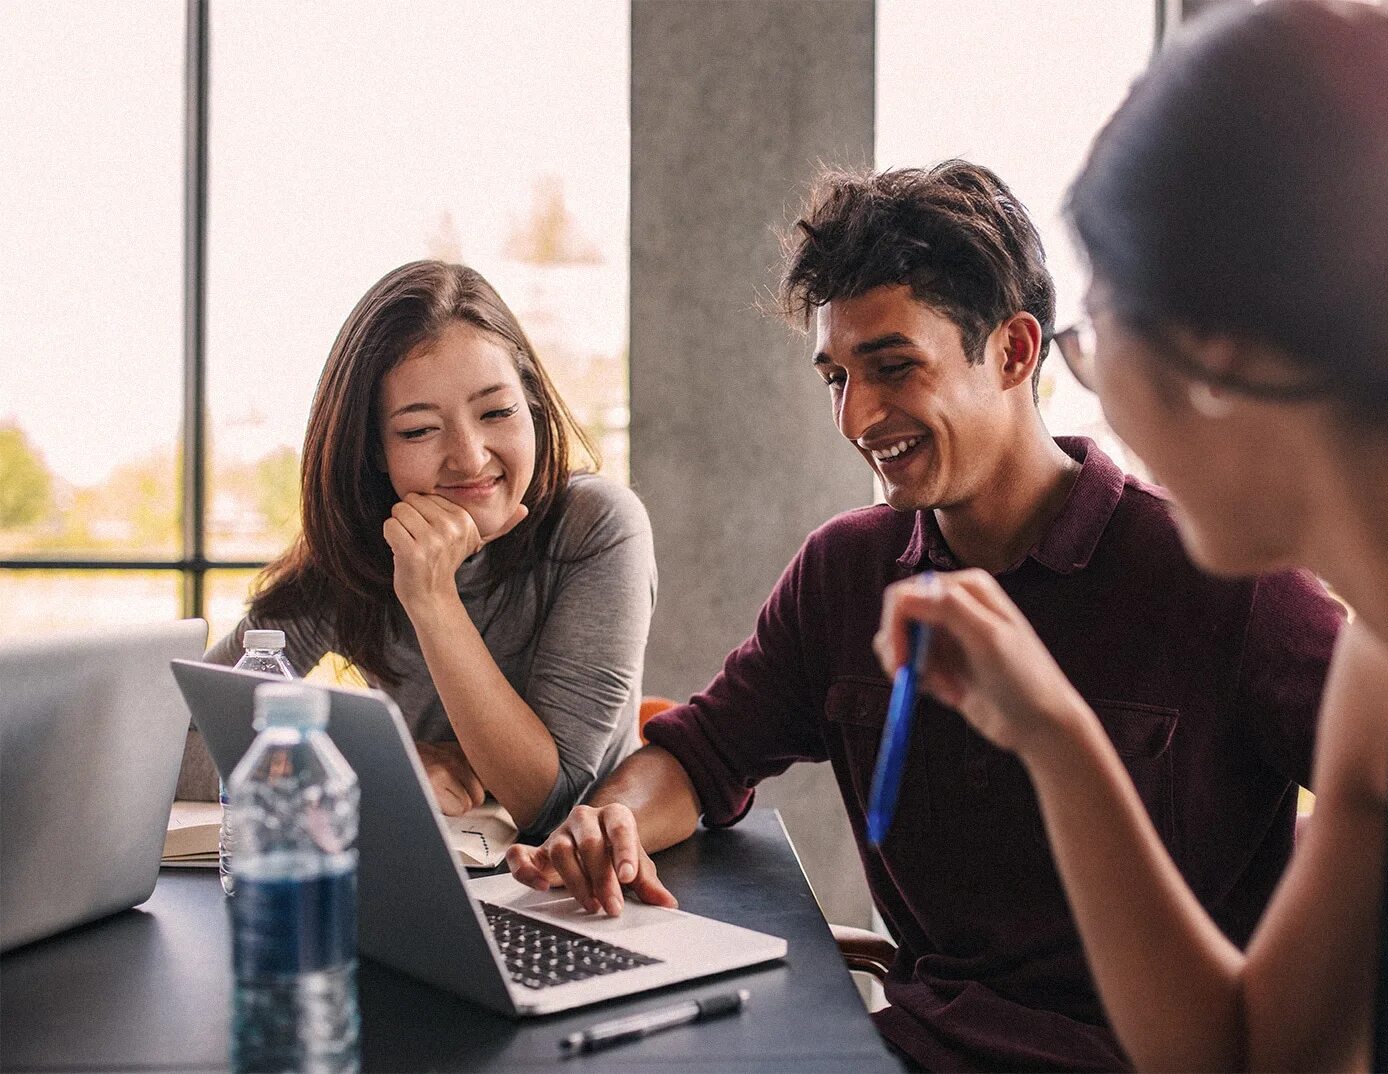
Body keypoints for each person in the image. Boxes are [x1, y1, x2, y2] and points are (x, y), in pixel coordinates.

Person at [876, 4, 1388, 1072]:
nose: (1101, 404)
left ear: (1222, 357)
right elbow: (1250, 1053)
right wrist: (1054, 739)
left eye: (1094, 338)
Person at [509, 161, 1345, 1071]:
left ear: (1015, 352)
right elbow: (702, 752)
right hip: (908, 1046)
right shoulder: (846, 571)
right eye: (836, 377)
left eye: (894, 367)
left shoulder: (1223, 581)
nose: (857, 416)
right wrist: (613, 819)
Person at [190, 260, 656, 836]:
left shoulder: (596, 526)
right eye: (418, 430)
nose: (469, 456)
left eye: (497, 412)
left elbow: (550, 803)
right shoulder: (358, 552)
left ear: (531, 407)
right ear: (371, 452)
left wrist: (432, 596)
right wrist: (390, 760)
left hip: (589, 888)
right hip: (429, 873)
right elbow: (174, 745)